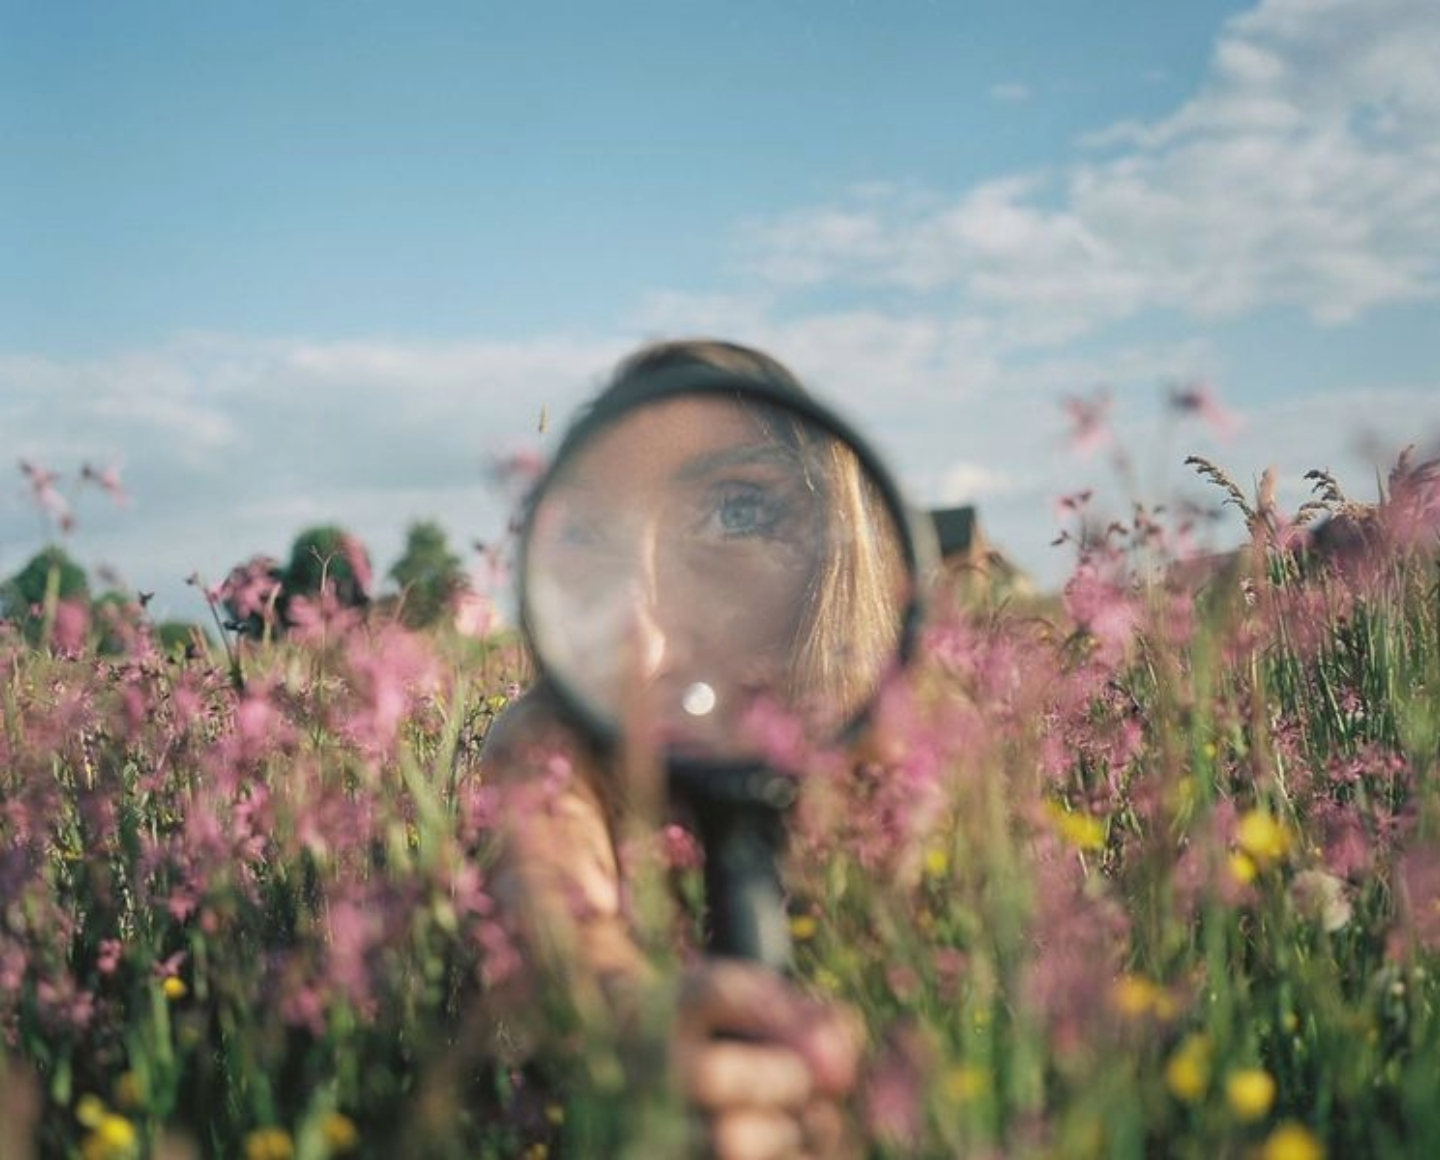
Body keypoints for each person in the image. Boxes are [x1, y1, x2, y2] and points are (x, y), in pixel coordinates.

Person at [481, 339, 910, 1159]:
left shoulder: (924, 759)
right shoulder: (549, 743)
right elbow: (555, 913)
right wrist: (637, 1020)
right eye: (590, 536)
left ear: (838, 549)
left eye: (737, 513)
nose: (639, 647)